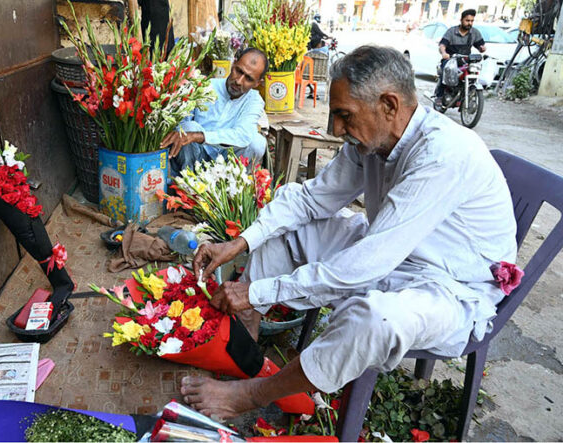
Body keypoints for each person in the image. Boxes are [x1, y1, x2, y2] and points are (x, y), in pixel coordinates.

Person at [179, 45, 517, 418]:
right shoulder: (373, 139)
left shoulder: (441, 154)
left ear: (389, 105)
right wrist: (239, 242)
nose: (336, 130)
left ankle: (253, 393)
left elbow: (368, 262)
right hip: (389, 249)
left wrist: (258, 290)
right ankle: (245, 346)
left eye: (344, 116)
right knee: (284, 227)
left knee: (375, 320)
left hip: (448, 286)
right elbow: (312, 200)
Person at [163, 48, 268, 176]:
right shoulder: (206, 85)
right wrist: (189, 134)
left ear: (258, 83)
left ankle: (233, 188)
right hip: (194, 157)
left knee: (257, 143)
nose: (239, 81)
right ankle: (187, 186)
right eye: (238, 71)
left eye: (249, 78)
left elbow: (242, 135)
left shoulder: (255, 101)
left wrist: (199, 136)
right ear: (233, 63)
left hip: (225, 164)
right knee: (187, 128)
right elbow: (181, 122)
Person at [435, 9, 486, 105]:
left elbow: (481, 46)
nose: (469, 23)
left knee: (473, 71)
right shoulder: (451, 31)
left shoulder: (474, 32)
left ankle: (467, 92)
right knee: (447, 70)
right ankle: (440, 95)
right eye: (467, 20)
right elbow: (442, 45)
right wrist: (444, 53)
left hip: (466, 60)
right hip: (450, 60)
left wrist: (482, 48)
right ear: (461, 20)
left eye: (471, 21)